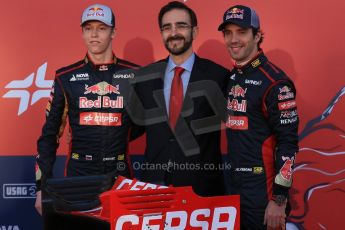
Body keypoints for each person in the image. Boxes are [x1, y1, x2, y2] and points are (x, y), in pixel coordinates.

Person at [35, 3, 139, 227]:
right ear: (82, 32)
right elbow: (49, 136)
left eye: (101, 28)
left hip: (120, 173)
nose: (94, 34)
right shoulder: (65, 77)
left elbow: (146, 125)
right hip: (79, 174)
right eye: (88, 27)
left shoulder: (135, 75)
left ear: (113, 32)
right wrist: (41, 188)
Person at [132, 1, 229, 197]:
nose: (174, 32)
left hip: (202, 189)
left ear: (195, 31)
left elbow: (239, 129)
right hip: (154, 185)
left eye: (181, 25)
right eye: (167, 27)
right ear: (161, 34)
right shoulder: (144, 78)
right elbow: (131, 128)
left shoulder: (218, 76)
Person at [218, 5, 299, 229]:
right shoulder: (234, 75)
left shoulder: (275, 83)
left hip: (262, 196)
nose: (234, 39)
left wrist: (279, 200)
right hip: (234, 188)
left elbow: (288, 144)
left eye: (241, 32)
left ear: (257, 35)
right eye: (228, 33)